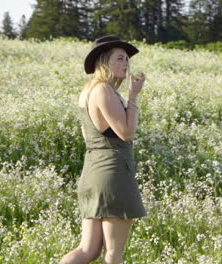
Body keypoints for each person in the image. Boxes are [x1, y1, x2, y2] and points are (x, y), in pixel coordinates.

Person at [59, 36, 147, 264]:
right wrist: (134, 97)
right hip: (113, 175)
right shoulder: (104, 91)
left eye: (127, 59)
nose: (126, 63)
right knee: (113, 253)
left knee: (88, 250)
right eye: (120, 58)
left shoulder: (87, 91)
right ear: (104, 61)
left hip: (92, 173)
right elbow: (127, 133)